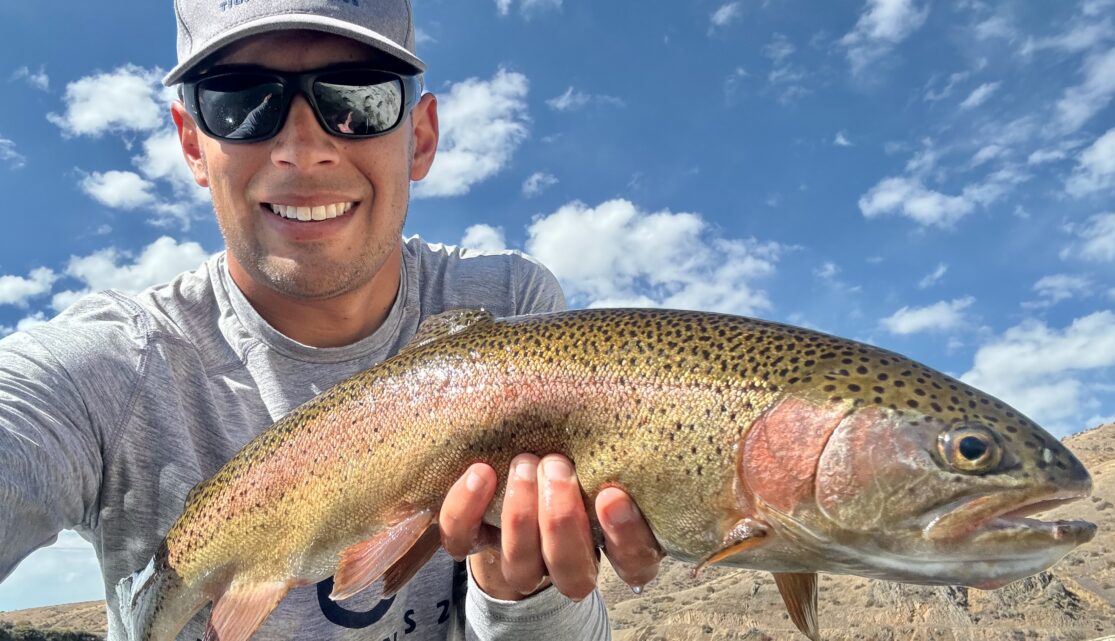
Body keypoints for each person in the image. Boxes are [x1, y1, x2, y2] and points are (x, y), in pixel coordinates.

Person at [0, 1, 662, 640]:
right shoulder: (108, 368)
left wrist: (520, 589)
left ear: (422, 137)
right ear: (194, 145)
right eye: (241, 100)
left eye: (357, 96)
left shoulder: (514, 303)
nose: (302, 147)